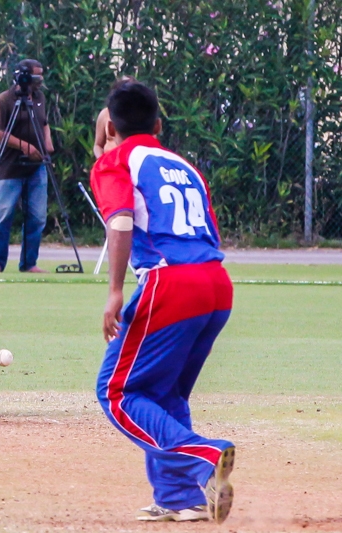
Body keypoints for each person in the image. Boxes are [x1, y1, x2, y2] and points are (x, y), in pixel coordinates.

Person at [89, 81, 236, 524]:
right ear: (157, 124)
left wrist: (115, 291)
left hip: (170, 282)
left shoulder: (116, 160)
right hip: (216, 283)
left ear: (110, 127)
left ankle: (204, 456)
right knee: (162, 393)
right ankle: (180, 497)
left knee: (117, 392)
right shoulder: (184, 166)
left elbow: (120, 223)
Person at [0, 58, 54, 274]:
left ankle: (29, 262)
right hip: (10, 166)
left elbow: (44, 122)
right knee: (2, 215)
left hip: (36, 166)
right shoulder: (5, 99)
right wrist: (24, 146)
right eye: (36, 76)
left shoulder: (40, 97)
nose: (39, 80)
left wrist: (47, 143)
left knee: (37, 216)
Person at [93, 77, 136, 159]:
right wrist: (103, 160)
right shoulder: (105, 113)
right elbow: (97, 145)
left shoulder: (140, 115)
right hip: (108, 162)